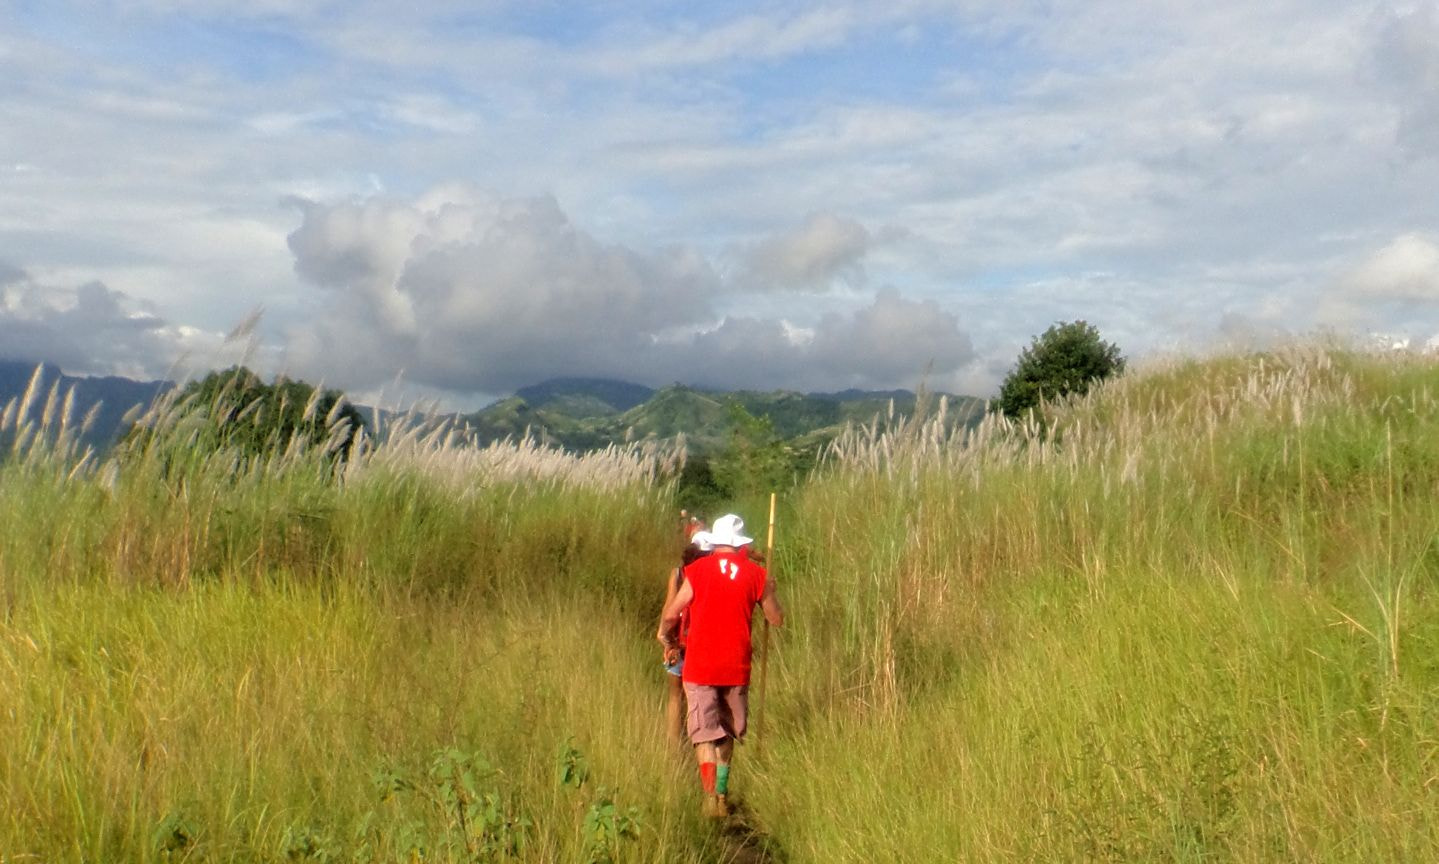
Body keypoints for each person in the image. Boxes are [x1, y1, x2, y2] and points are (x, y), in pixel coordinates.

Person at [657, 513, 784, 819]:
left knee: (703, 732)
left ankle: (709, 795)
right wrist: (771, 591)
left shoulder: (697, 570)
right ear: (740, 543)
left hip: (700, 665)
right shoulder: (757, 575)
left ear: (716, 542)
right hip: (736, 666)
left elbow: (672, 613)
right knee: (726, 730)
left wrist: (665, 635)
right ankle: (723, 794)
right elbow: (776, 619)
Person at [662, 523, 708, 747]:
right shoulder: (710, 574)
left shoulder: (678, 573)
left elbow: (669, 608)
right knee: (695, 697)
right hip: (699, 643)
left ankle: (674, 749)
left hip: (677, 643)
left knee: (674, 696)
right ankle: (695, 742)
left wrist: (665, 637)